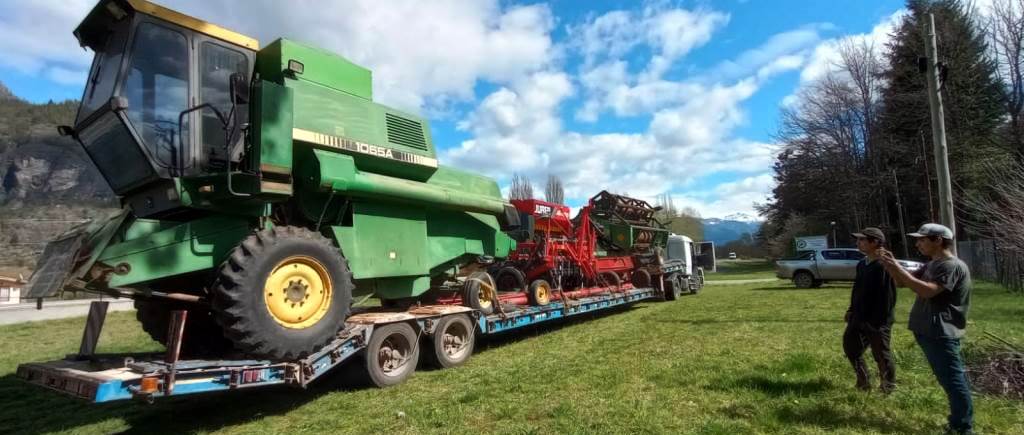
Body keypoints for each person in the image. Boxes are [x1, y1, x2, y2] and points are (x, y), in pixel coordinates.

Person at [879, 223, 973, 435]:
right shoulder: (932, 264)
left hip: (941, 332)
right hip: (928, 331)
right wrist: (890, 267)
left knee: (953, 380)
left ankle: (962, 427)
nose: (918, 243)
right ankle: (959, 422)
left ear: (938, 241)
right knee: (947, 378)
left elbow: (928, 291)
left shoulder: (950, 266)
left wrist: (896, 267)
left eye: (922, 239)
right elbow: (903, 283)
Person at [843, 227, 896, 393]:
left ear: (875, 242)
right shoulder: (862, 264)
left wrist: (877, 322)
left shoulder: (883, 266)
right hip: (858, 316)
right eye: (857, 240)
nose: (858, 243)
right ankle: (863, 381)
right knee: (851, 348)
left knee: (881, 355)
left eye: (862, 240)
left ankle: (887, 387)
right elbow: (857, 289)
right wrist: (851, 309)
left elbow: (888, 297)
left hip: (877, 321)